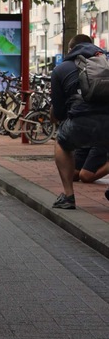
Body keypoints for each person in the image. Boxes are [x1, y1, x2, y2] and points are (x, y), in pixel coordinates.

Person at [50, 34, 109, 209]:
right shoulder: (106, 62)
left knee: (61, 143)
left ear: (70, 49)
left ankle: (68, 197)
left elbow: (59, 112)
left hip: (80, 123)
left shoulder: (61, 69)